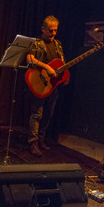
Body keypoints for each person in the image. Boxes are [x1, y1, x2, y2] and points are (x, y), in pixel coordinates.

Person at [26, 15, 69, 157]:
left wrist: (65, 76)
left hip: (53, 85)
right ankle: (32, 143)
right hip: (39, 83)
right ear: (43, 29)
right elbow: (30, 59)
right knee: (37, 113)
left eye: (55, 30)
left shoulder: (58, 44)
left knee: (48, 114)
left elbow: (61, 63)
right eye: (50, 30)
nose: (53, 33)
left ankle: (41, 140)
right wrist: (46, 67)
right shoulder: (36, 43)